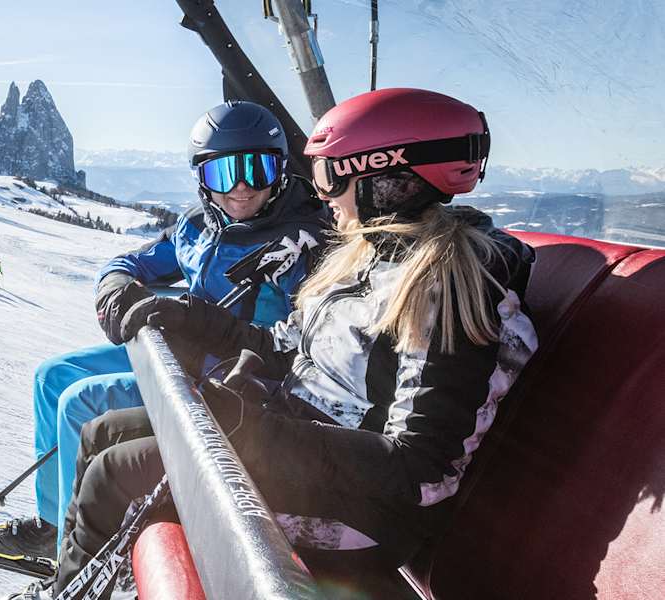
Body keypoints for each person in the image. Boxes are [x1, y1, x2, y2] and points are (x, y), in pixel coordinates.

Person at [33, 88, 538, 600]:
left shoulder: (447, 285)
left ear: (385, 179)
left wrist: (257, 430)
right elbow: (286, 348)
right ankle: (64, 585)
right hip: (300, 443)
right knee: (102, 432)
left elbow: (421, 471)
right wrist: (190, 316)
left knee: (114, 473)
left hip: (362, 512)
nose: (323, 195)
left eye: (329, 176)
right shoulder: (371, 257)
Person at [0, 101, 332, 561]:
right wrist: (117, 293)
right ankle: (55, 522)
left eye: (258, 169)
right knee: (53, 377)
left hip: (236, 377)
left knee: (80, 402)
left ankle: (84, 541)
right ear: (202, 179)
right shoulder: (197, 227)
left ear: (281, 171)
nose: (242, 188)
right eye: (224, 174)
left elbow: (304, 336)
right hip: (180, 352)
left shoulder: (300, 241)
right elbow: (128, 263)